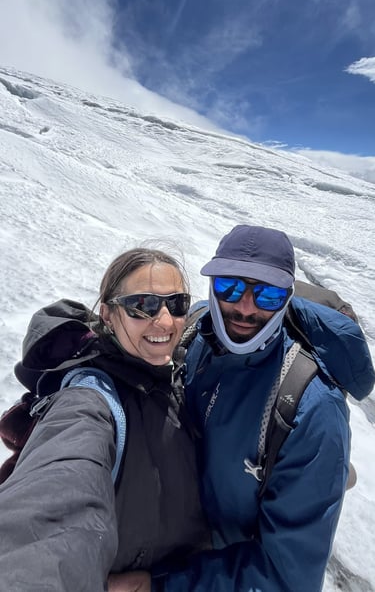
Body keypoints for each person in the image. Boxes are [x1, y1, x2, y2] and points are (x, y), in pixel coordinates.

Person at [118, 225, 374, 592]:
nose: (244, 307)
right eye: (230, 287)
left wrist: (161, 585)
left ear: (287, 299)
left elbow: (287, 577)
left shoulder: (312, 412)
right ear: (213, 286)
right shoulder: (193, 332)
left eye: (267, 294)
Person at [0, 247, 210, 591]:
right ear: (109, 315)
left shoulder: (176, 376)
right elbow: (54, 504)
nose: (165, 321)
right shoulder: (90, 399)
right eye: (143, 306)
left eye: (176, 304)